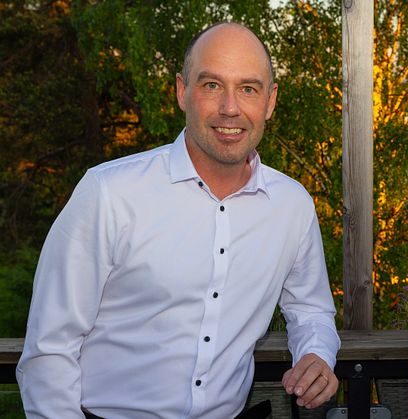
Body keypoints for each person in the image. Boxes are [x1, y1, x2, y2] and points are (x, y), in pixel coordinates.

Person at [17, 22, 340, 419]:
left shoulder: (292, 205)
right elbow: (50, 350)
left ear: (270, 101)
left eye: (248, 88)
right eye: (211, 85)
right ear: (181, 91)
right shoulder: (108, 193)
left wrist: (316, 353)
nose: (230, 108)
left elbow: (310, 309)